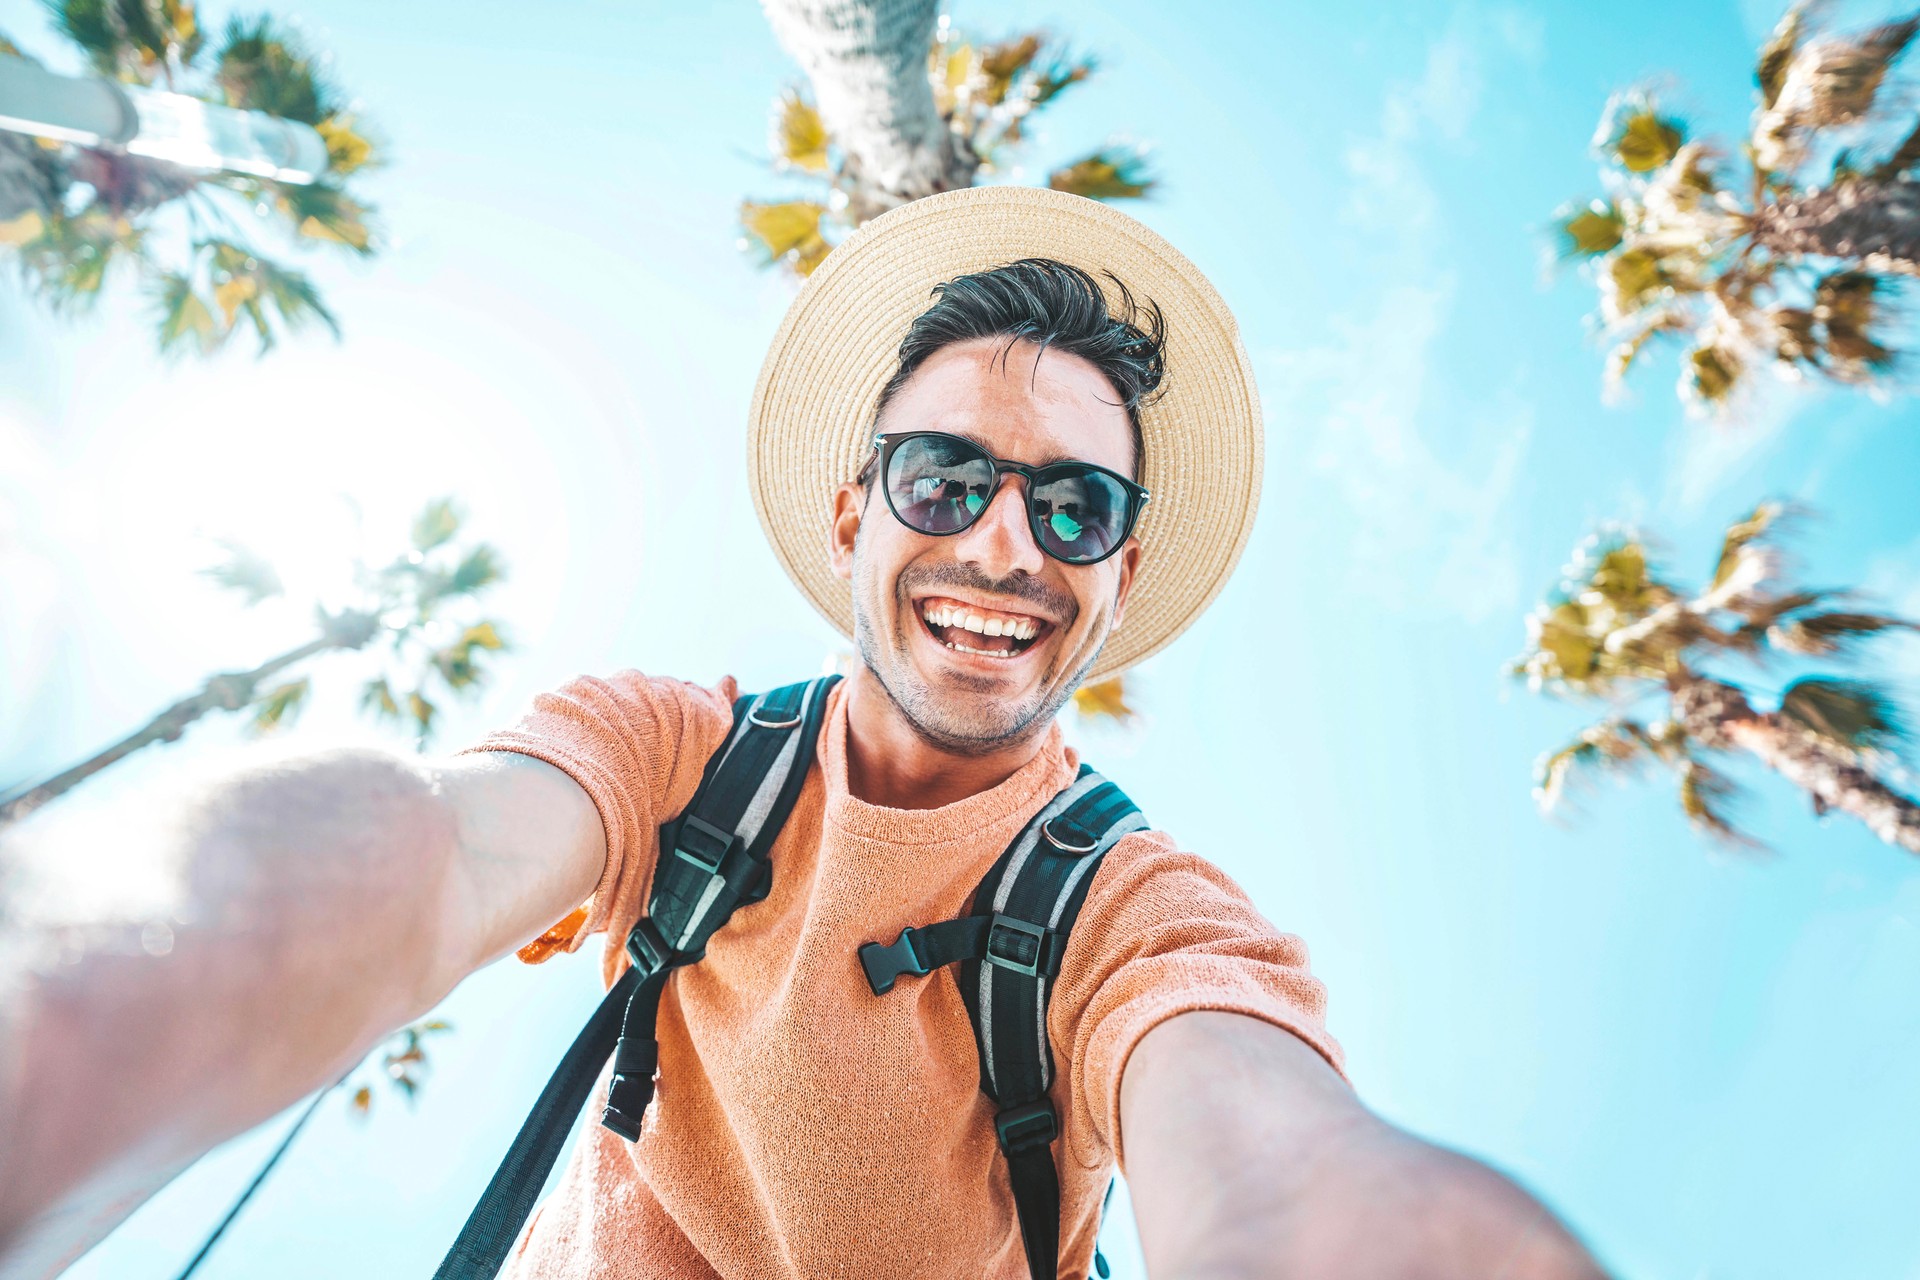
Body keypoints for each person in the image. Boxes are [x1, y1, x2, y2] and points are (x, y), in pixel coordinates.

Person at [0, 186, 1605, 1279]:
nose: (1002, 546)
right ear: (853, 517)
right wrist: (66, 991)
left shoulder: (1133, 910)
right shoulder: (678, 753)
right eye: (944, 480)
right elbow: (430, 855)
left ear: (1114, 583)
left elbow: (1267, 1149)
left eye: (1074, 506)